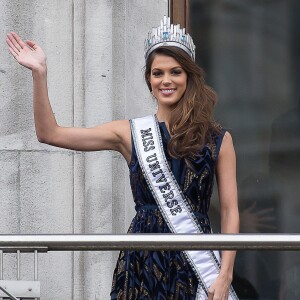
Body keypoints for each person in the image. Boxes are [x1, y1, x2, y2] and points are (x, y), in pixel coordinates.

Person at [6, 16, 239, 300]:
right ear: (149, 80)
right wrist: (39, 73)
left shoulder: (218, 139)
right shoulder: (129, 133)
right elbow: (50, 133)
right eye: (157, 73)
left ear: (189, 76)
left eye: (175, 71)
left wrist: (225, 274)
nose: (166, 80)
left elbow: (229, 211)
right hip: (143, 260)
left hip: (195, 262)